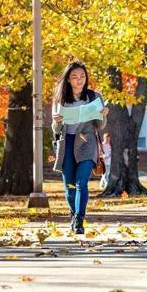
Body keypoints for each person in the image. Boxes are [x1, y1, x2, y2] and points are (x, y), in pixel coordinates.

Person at [52, 61, 109, 234]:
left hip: (87, 142)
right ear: (68, 80)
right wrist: (56, 121)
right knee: (69, 185)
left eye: (82, 76)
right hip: (67, 143)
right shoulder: (60, 98)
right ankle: (74, 214)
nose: (79, 80)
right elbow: (55, 130)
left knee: (81, 182)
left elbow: (100, 126)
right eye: (75, 77)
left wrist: (103, 115)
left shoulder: (94, 96)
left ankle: (79, 220)